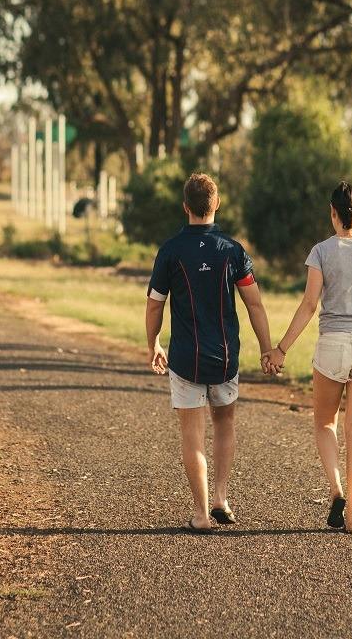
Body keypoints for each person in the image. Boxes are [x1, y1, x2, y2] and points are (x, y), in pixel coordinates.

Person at [264, 180, 352, 534]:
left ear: (333, 213)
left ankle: (336, 490)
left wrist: (281, 349)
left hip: (332, 346)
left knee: (325, 423)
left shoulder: (321, 252)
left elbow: (310, 305)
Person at [146, 172, 275, 532]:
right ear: (216, 204)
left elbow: (155, 304)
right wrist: (267, 348)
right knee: (224, 424)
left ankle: (201, 514)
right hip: (225, 359)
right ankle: (221, 497)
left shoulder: (170, 251)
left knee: (192, 433)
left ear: (185, 206)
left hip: (185, 359)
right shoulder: (233, 251)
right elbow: (255, 304)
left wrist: (153, 343)